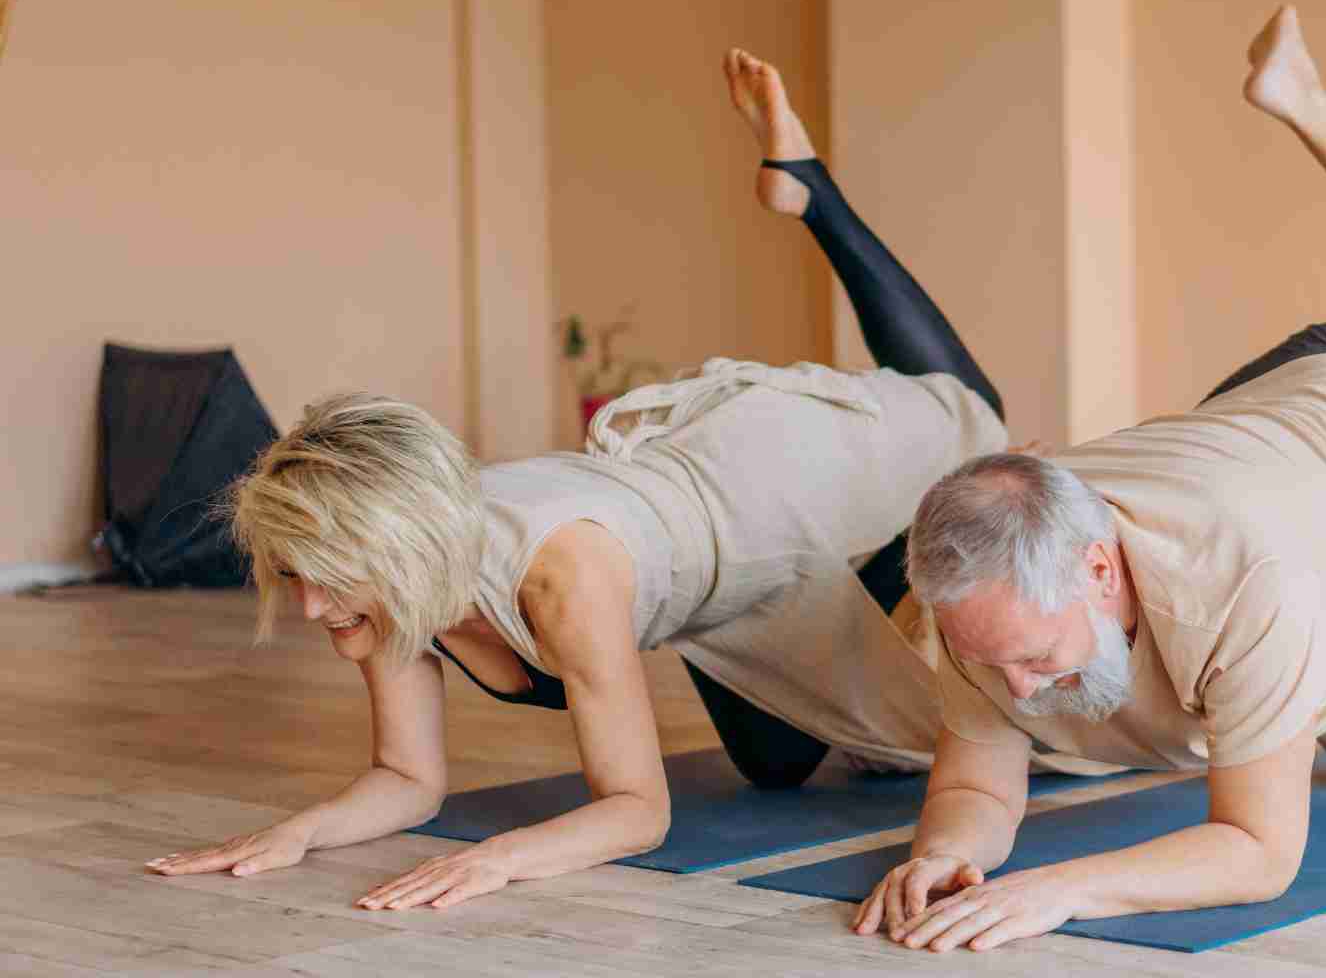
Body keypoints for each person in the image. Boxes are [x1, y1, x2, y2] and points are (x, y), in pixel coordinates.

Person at [145, 49, 1109, 911]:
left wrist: (504, 861)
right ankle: (885, 551)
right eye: (298, 573)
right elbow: (409, 779)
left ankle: (810, 191)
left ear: (399, 543)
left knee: (973, 420)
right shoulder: (389, 592)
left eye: (325, 575)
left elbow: (637, 812)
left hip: (760, 484)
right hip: (715, 595)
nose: (310, 607)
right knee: (778, 769)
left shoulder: (563, 580)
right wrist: (297, 833)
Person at [854, 4, 1326, 952]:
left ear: (1096, 571)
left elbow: (1258, 850)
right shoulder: (988, 588)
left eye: (1034, 662)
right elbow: (976, 780)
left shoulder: (1248, 582)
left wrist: (1057, 891)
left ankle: (1307, 104)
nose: (1016, 689)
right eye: (993, 665)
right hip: (1270, 448)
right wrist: (939, 854)